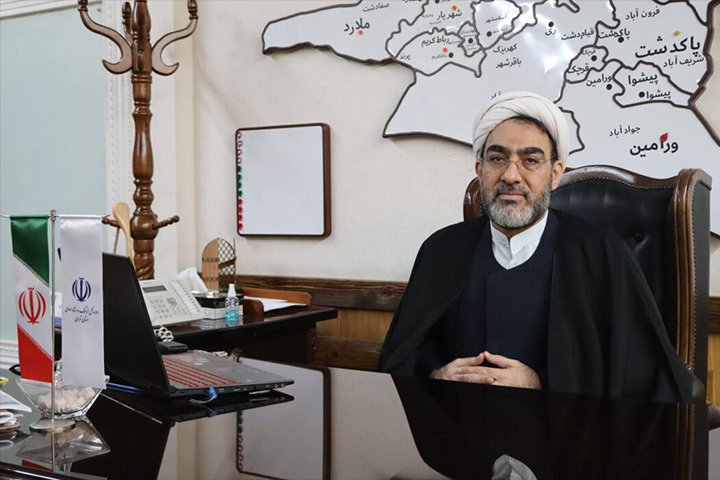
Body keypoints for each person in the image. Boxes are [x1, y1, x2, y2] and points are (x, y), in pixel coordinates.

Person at [378, 91, 695, 403]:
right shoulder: (441, 250)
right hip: (459, 428)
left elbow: (644, 381)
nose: (511, 176)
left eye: (530, 160)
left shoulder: (603, 254)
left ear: (555, 174)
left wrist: (542, 384)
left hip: (562, 432)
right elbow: (401, 358)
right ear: (480, 170)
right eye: (497, 159)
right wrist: (436, 377)